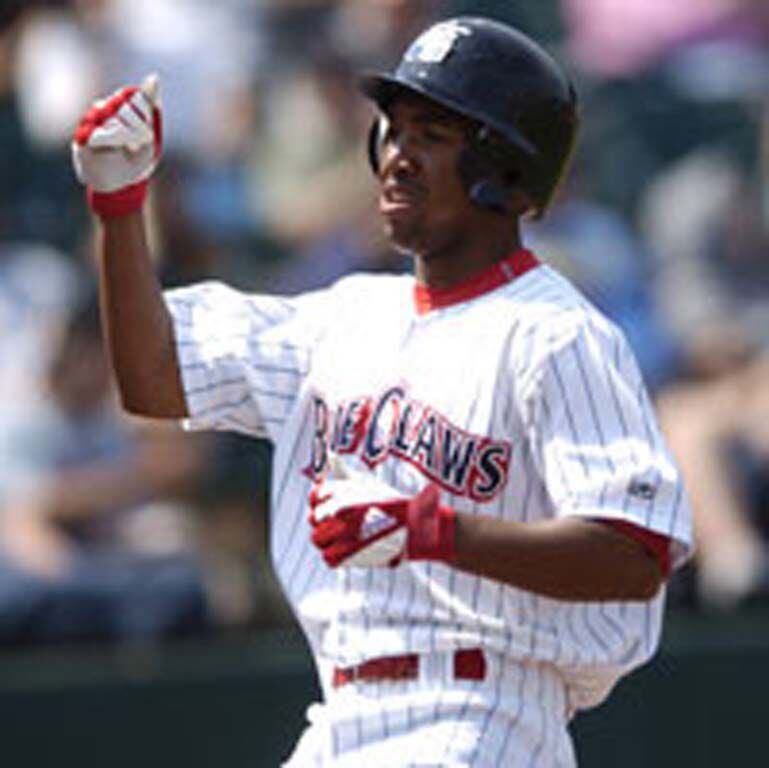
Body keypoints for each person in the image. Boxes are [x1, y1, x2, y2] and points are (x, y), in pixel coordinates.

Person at [71, 16, 692, 767]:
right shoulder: (342, 318)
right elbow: (154, 376)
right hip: (340, 715)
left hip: (483, 709)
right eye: (391, 132)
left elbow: (631, 552)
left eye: (431, 133)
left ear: (502, 163)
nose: (396, 156)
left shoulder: (557, 337)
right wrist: (120, 208)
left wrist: (434, 531)